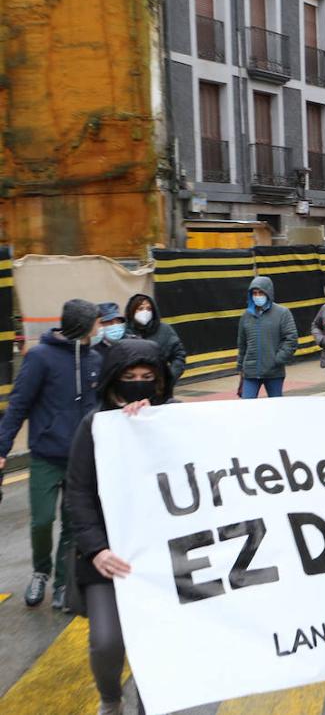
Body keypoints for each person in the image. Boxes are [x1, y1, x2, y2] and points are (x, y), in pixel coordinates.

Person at [66, 339, 174, 715]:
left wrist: (154, 424)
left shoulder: (174, 420)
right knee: (106, 640)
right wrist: (96, 549)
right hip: (108, 557)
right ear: (114, 379)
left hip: (163, 557)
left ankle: (152, 704)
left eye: (147, 376)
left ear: (160, 382)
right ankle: (110, 698)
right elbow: (78, 491)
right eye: (130, 377)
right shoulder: (94, 426)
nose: (139, 384)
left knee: (158, 643)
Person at [0, 299, 102, 610]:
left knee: (73, 525)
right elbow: (19, 404)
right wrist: (2, 448)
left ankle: (62, 583)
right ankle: (40, 572)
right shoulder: (40, 357)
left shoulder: (95, 359)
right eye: (97, 322)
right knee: (42, 520)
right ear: (83, 326)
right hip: (46, 456)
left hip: (81, 460)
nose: (100, 328)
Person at [237, 276, 298, 398]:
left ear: (268, 293)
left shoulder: (282, 313)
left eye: (261, 293)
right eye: (254, 293)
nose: (257, 296)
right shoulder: (246, 315)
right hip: (250, 372)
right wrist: (240, 367)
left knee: (275, 405)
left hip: (274, 372)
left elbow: (291, 339)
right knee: (246, 405)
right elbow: (242, 344)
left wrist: (278, 360)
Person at [124, 293, 187, 383]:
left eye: (149, 309)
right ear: (132, 311)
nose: (145, 312)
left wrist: (169, 379)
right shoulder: (124, 331)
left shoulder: (164, 330)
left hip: (158, 385)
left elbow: (179, 356)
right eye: (140, 309)